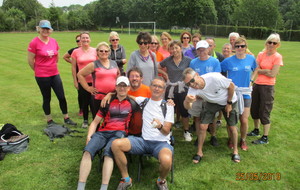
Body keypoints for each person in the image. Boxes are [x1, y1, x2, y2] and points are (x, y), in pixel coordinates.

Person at [112, 77, 174, 190]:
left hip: (161, 143)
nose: (156, 88)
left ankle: (161, 180)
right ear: (150, 87)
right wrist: (109, 95)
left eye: (160, 87)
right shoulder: (143, 101)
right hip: (143, 141)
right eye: (154, 85)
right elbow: (126, 95)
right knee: (116, 144)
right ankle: (126, 179)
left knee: (166, 160)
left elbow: (166, 132)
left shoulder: (168, 106)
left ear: (164, 90)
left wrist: (160, 126)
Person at [77, 76, 132, 190]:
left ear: (128, 88)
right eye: (119, 85)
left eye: (124, 86)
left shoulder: (133, 103)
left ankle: (104, 187)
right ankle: (80, 187)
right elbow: (95, 122)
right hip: (103, 132)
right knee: (87, 152)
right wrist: (88, 136)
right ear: (115, 87)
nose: (122, 88)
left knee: (108, 154)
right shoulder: (107, 102)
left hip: (119, 133)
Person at [183, 68, 240, 163]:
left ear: (197, 75)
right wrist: (188, 101)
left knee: (232, 126)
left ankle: (235, 151)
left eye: (192, 80)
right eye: (188, 84)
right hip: (212, 102)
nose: (192, 85)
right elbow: (187, 107)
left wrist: (229, 103)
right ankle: (199, 152)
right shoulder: (192, 89)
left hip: (228, 100)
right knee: (202, 126)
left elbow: (231, 86)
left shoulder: (214, 78)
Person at [27, 20, 76, 126]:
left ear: (50, 30)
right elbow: (30, 60)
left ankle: (66, 118)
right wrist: (39, 70)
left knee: (61, 96)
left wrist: (51, 66)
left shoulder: (53, 41)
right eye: (43, 28)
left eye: (47, 29)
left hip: (54, 73)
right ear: (39, 29)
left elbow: (56, 56)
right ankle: (49, 120)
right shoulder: (34, 42)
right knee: (47, 97)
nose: (45, 31)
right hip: (42, 75)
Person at [221, 37, 257, 151]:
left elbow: (256, 69)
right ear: (234, 48)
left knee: (244, 120)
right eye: (237, 46)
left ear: (246, 47)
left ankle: (243, 139)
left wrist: (251, 80)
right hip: (233, 93)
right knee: (231, 119)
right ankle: (231, 139)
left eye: (242, 46)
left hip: (245, 93)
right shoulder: (228, 61)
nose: (240, 48)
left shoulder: (251, 59)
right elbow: (219, 71)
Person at [248, 33, 283, 144]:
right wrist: (265, 71)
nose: (271, 44)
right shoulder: (261, 54)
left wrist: (262, 70)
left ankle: (265, 137)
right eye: (269, 42)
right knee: (254, 108)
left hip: (268, 87)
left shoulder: (277, 57)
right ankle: (256, 129)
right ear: (266, 43)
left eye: (274, 43)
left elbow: (273, 74)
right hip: (257, 84)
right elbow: (256, 69)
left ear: (277, 45)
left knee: (265, 110)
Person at [189, 40, 221, 147]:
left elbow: (217, 79)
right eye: (199, 49)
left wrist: (210, 94)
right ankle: (199, 137)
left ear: (208, 49)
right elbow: (191, 79)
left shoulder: (215, 62)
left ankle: (213, 135)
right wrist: (196, 93)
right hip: (198, 94)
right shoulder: (193, 62)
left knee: (212, 118)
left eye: (204, 49)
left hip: (211, 95)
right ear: (196, 51)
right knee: (197, 117)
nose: (202, 51)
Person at [158, 40, 192, 141]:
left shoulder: (188, 60)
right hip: (171, 89)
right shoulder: (168, 60)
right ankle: (169, 130)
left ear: (181, 48)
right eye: (172, 48)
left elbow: (192, 71)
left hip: (183, 89)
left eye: (176, 48)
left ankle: (186, 131)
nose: (174, 50)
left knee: (184, 111)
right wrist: (165, 74)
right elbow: (158, 67)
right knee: (170, 111)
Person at [77, 42, 120, 119]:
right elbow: (80, 74)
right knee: (97, 118)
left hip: (112, 96)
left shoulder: (114, 63)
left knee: (111, 118)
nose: (104, 53)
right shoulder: (94, 64)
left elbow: (118, 76)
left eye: (106, 51)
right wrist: (87, 88)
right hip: (98, 97)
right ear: (97, 52)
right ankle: (96, 131)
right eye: (101, 51)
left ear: (109, 52)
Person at [71, 32, 97, 128]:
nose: (85, 40)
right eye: (83, 38)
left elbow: (99, 65)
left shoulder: (95, 51)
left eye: (87, 38)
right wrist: (75, 80)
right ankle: (85, 120)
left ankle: (95, 120)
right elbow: (74, 67)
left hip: (94, 81)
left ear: (90, 39)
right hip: (82, 81)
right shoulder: (76, 52)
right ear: (80, 40)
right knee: (85, 102)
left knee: (94, 102)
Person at [63, 34, 83, 116]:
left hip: (88, 75)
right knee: (80, 93)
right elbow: (65, 57)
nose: (79, 42)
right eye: (77, 41)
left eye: (80, 40)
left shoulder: (89, 50)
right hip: (79, 74)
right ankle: (81, 109)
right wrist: (73, 63)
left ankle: (89, 108)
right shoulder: (74, 51)